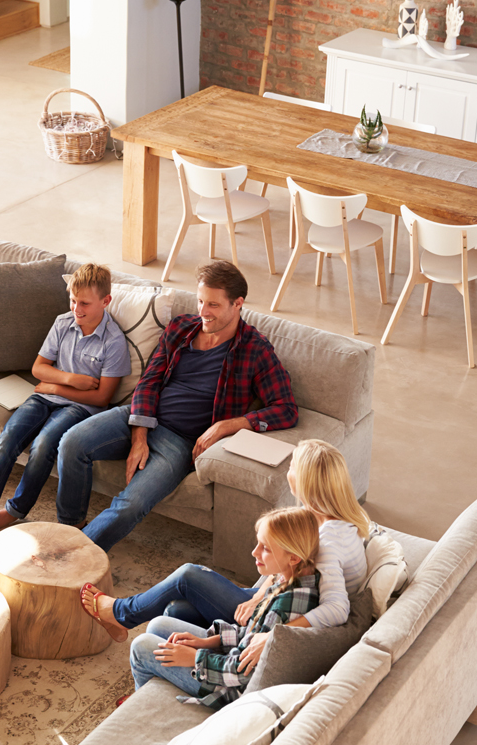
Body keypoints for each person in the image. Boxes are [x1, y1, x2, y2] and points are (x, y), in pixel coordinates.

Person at [55, 260, 298, 550]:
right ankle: (70, 527)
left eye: (214, 305)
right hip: (139, 416)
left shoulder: (254, 349)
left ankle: (73, 553)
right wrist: (139, 434)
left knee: (132, 503)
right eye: (200, 301)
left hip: (180, 442)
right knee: (71, 443)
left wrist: (227, 425)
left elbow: (286, 408)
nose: (203, 312)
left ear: (238, 304)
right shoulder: (182, 328)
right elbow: (149, 381)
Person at [81, 439, 369, 673]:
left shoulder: (329, 539)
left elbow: (337, 609)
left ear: (306, 480)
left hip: (282, 613)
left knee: (189, 576)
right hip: (271, 600)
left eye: (292, 466)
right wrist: (258, 595)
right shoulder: (323, 519)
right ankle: (160, 667)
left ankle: (121, 614)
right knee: (177, 611)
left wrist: (271, 636)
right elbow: (288, 571)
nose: (287, 471)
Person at [0, 264, 130, 530]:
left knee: (43, 445)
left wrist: (55, 386)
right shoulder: (62, 323)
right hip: (43, 398)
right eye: (73, 301)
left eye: (84, 303)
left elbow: (101, 397)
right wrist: (70, 379)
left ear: (106, 301)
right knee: (7, 440)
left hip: (80, 408)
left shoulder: (113, 342)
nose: (76, 309)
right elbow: (38, 368)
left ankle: (15, 509)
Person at [127, 507, 320, 709]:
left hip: (229, 690)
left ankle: (140, 708)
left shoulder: (286, 607)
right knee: (158, 625)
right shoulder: (289, 578)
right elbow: (250, 635)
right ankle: (157, 689)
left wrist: (195, 658)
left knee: (141, 646)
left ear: (294, 557)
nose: (255, 552)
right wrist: (207, 641)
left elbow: (243, 673)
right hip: (230, 661)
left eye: (266, 548)